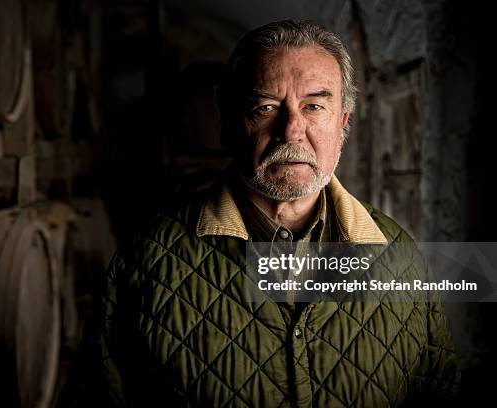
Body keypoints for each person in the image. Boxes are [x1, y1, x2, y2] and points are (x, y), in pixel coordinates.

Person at [76, 20, 460, 407]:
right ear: (227, 124)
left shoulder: (401, 257)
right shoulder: (146, 260)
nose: (292, 131)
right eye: (266, 107)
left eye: (314, 106)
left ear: (343, 123)